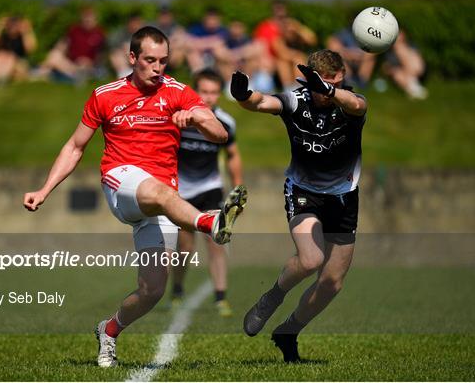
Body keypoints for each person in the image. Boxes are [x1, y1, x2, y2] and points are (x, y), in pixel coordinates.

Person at [23, 26, 247, 368]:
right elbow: (75, 146)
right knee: (158, 190)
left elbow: (219, 132)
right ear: (132, 58)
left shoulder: (177, 91)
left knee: (152, 290)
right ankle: (211, 221)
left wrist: (197, 120)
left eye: (164, 60)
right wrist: (44, 189)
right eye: (150, 60)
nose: (158, 67)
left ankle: (108, 330)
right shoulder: (105, 94)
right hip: (121, 183)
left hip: (161, 199)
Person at [230, 49, 367, 363]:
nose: (334, 89)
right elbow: (264, 102)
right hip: (304, 191)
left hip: (344, 196)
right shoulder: (297, 100)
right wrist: (242, 96)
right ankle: (272, 297)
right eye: (326, 83)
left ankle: (288, 331)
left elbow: (360, 105)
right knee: (310, 259)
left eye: (338, 83)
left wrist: (332, 91)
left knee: (332, 282)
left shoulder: (348, 102)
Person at [171, 69, 243, 317]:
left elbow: (232, 155)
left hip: (210, 187)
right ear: (194, 92)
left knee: (216, 242)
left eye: (214, 92)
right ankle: (177, 289)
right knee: (185, 247)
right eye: (204, 92)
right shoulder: (179, 119)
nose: (209, 97)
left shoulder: (226, 122)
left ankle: (220, 297)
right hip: (180, 190)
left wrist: (237, 186)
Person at [253, 0, 318, 91]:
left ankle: (299, 86)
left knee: (297, 60)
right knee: (285, 61)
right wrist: (295, 55)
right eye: (279, 16)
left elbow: (312, 40)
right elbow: (281, 51)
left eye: (284, 17)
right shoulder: (275, 34)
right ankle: (290, 88)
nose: (281, 20)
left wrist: (298, 28)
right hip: (275, 61)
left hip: (293, 60)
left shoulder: (294, 28)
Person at [33, 7, 106, 83]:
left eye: (90, 19)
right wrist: (57, 52)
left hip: (89, 66)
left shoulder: (100, 33)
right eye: (85, 18)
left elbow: (102, 55)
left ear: (95, 20)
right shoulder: (74, 30)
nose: (87, 21)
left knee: (52, 64)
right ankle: (43, 72)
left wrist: (90, 62)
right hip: (72, 64)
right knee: (54, 55)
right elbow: (63, 44)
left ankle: (39, 73)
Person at [0, 15, 37, 85]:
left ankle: (1, 79)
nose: (13, 27)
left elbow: (31, 48)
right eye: (11, 24)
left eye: (16, 24)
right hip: (3, 63)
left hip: (19, 65)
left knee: (10, 56)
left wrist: (26, 30)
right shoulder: (4, 36)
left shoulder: (22, 37)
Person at [382, 30, 428, 99]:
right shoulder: (390, 52)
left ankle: (413, 86)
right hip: (402, 73)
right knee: (397, 74)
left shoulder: (410, 46)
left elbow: (418, 62)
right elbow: (387, 67)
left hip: (415, 71)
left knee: (400, 48)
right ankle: (412, 87)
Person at [108, 11, 145, 78]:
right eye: (134, 22)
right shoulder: (121, 34)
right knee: (115, 54)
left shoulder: (147, 34)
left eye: (138, 22)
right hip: (125, 59)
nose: (136, 25)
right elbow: (112, 45)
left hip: (141, 58)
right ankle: (124, 75)